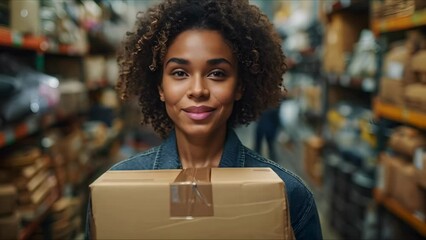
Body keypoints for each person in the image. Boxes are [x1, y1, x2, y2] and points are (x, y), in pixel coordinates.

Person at [85, 0, 322, 239]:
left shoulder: (289, 196)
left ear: (239, 86)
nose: (198, 90)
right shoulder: (117, 193)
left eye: (217, 73)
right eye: (180, 73)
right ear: (160, 87)